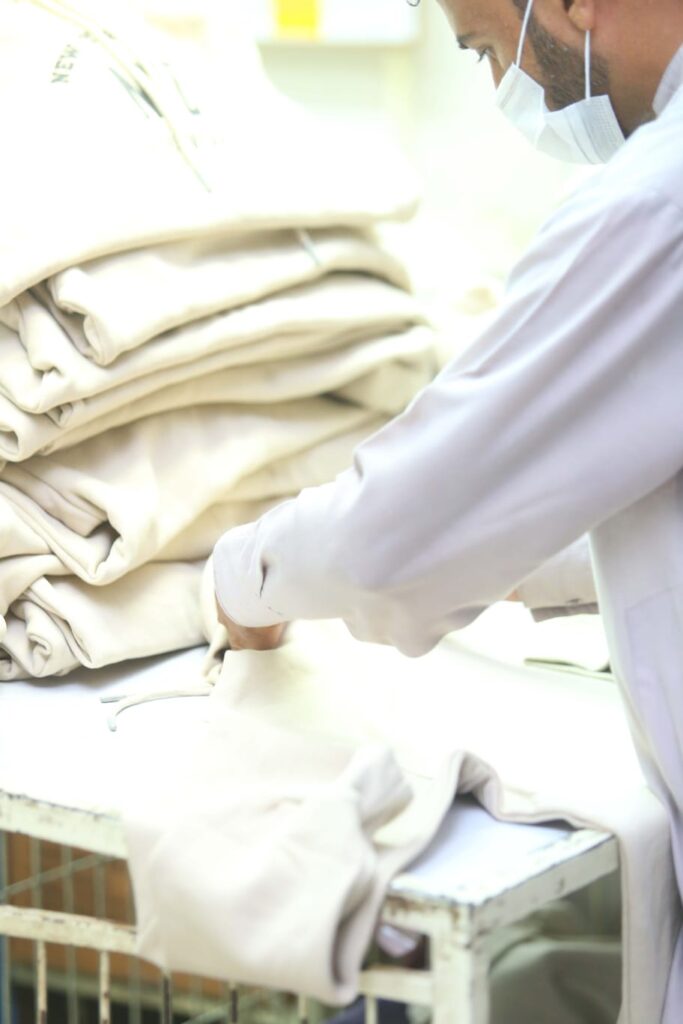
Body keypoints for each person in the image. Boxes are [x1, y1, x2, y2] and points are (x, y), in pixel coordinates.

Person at [214, 0, 683, 1016]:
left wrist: (245, 571)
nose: (502, 88)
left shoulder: (655, 202)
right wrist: (517, 553)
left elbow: (390, 541)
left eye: (483, 49)